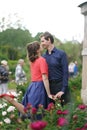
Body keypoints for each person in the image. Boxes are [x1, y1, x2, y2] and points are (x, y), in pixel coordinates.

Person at [1, 41, 54, 119]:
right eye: (39, 46)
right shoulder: (41, 60)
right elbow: (45, 78)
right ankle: (12, 101)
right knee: (35, 112)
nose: (41, 46)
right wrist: (49, 94)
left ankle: (12, 101)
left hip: (32, 86)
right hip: (39, 87)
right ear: (37, 50)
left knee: (28, 109)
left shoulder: (33, 61)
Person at [40, 31, 70, 106]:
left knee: (64, 112)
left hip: (60, 86)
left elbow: (65, 72)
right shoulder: (43, 57)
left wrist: (63, 90)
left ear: (49, 40)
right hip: (49, 88)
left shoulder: (61, 54)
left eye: (43, 41)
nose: (41, 43)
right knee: (51, 113)